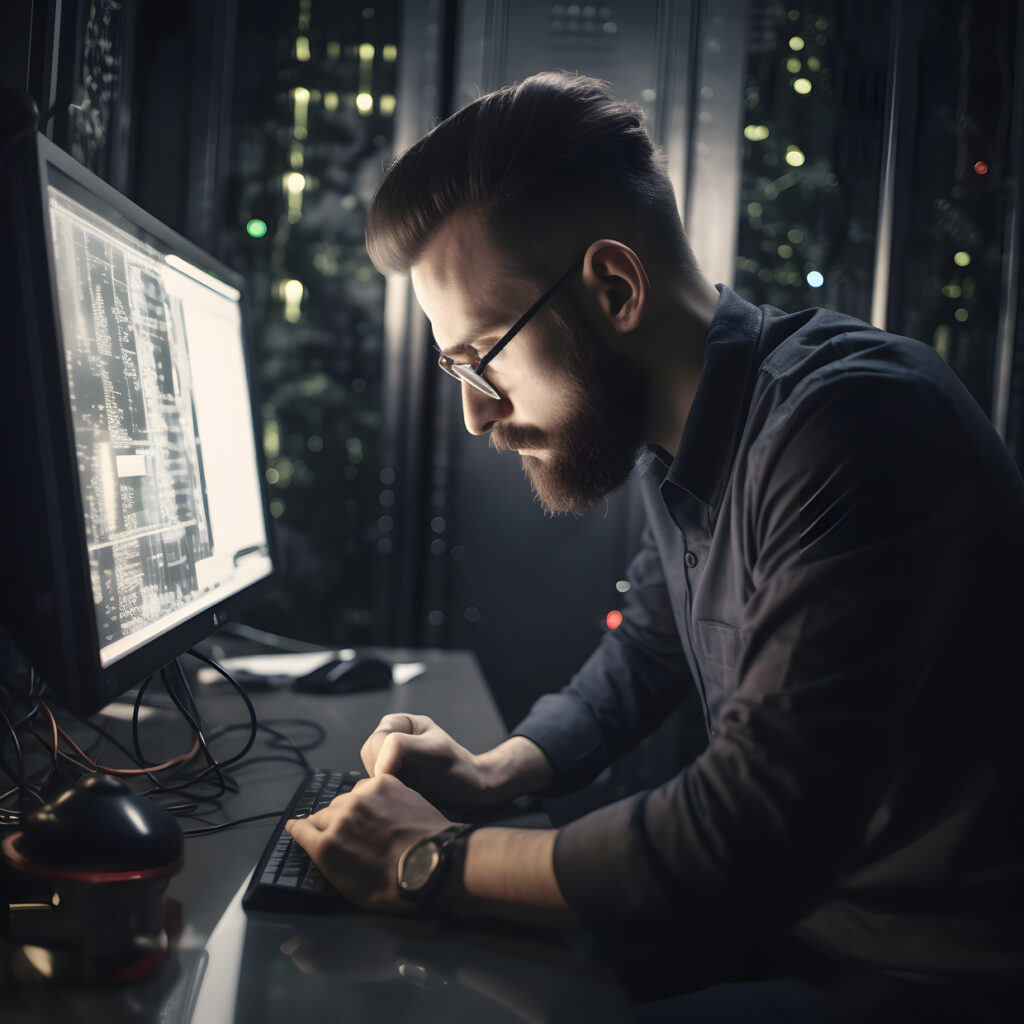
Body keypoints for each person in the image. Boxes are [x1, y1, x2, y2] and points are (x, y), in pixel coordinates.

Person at [285, 71, 1024, 1019]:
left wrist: (426, 859)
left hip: (927, 976)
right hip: (802, 926)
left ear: (613, 286)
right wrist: (494, 769)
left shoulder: (857, 424)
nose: (474, 414)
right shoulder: (683, 433)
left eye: (482, 357)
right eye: (453, 365)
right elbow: (653, 642)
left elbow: (749, 830)